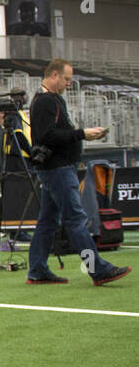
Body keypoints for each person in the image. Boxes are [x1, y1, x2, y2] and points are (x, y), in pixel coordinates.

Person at [25, 59, 130, 286]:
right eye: (66, 79)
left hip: (57, 168)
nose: (68, 83)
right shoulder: (45, 102)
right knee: (75, 220)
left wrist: (82, 135)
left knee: (48, 221)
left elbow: (52, 134)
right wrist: (81, 134)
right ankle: (98, 270)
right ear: (53, 75)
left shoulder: (51, 100)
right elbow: (46, 136)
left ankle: (37, 270)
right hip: (57, 169)